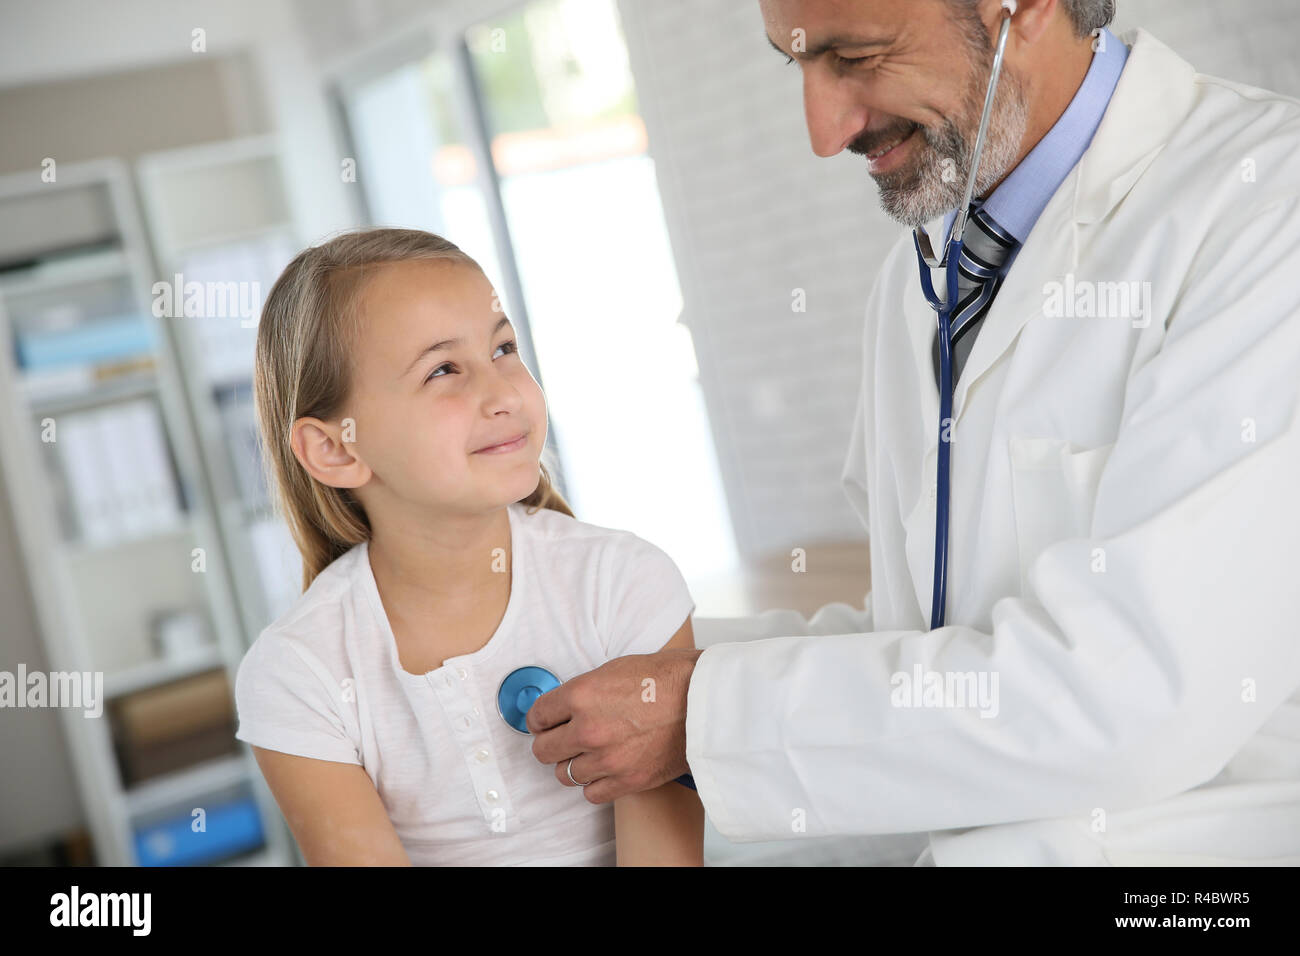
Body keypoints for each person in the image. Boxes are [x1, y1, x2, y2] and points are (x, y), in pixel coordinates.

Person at [526, 0, 1300, 865]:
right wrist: (643, 664)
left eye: (855, 57)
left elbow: (1135, 697)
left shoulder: (1267, 211)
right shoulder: (925, 275)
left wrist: (704, 711)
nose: (824, 132)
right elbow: (919, 644)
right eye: (800, 64)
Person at [232, 228, 704, 865]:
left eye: (504, 347)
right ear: (336, 448)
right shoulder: (298, 673)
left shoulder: (622, 583)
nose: (504, 391)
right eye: (443, 369)